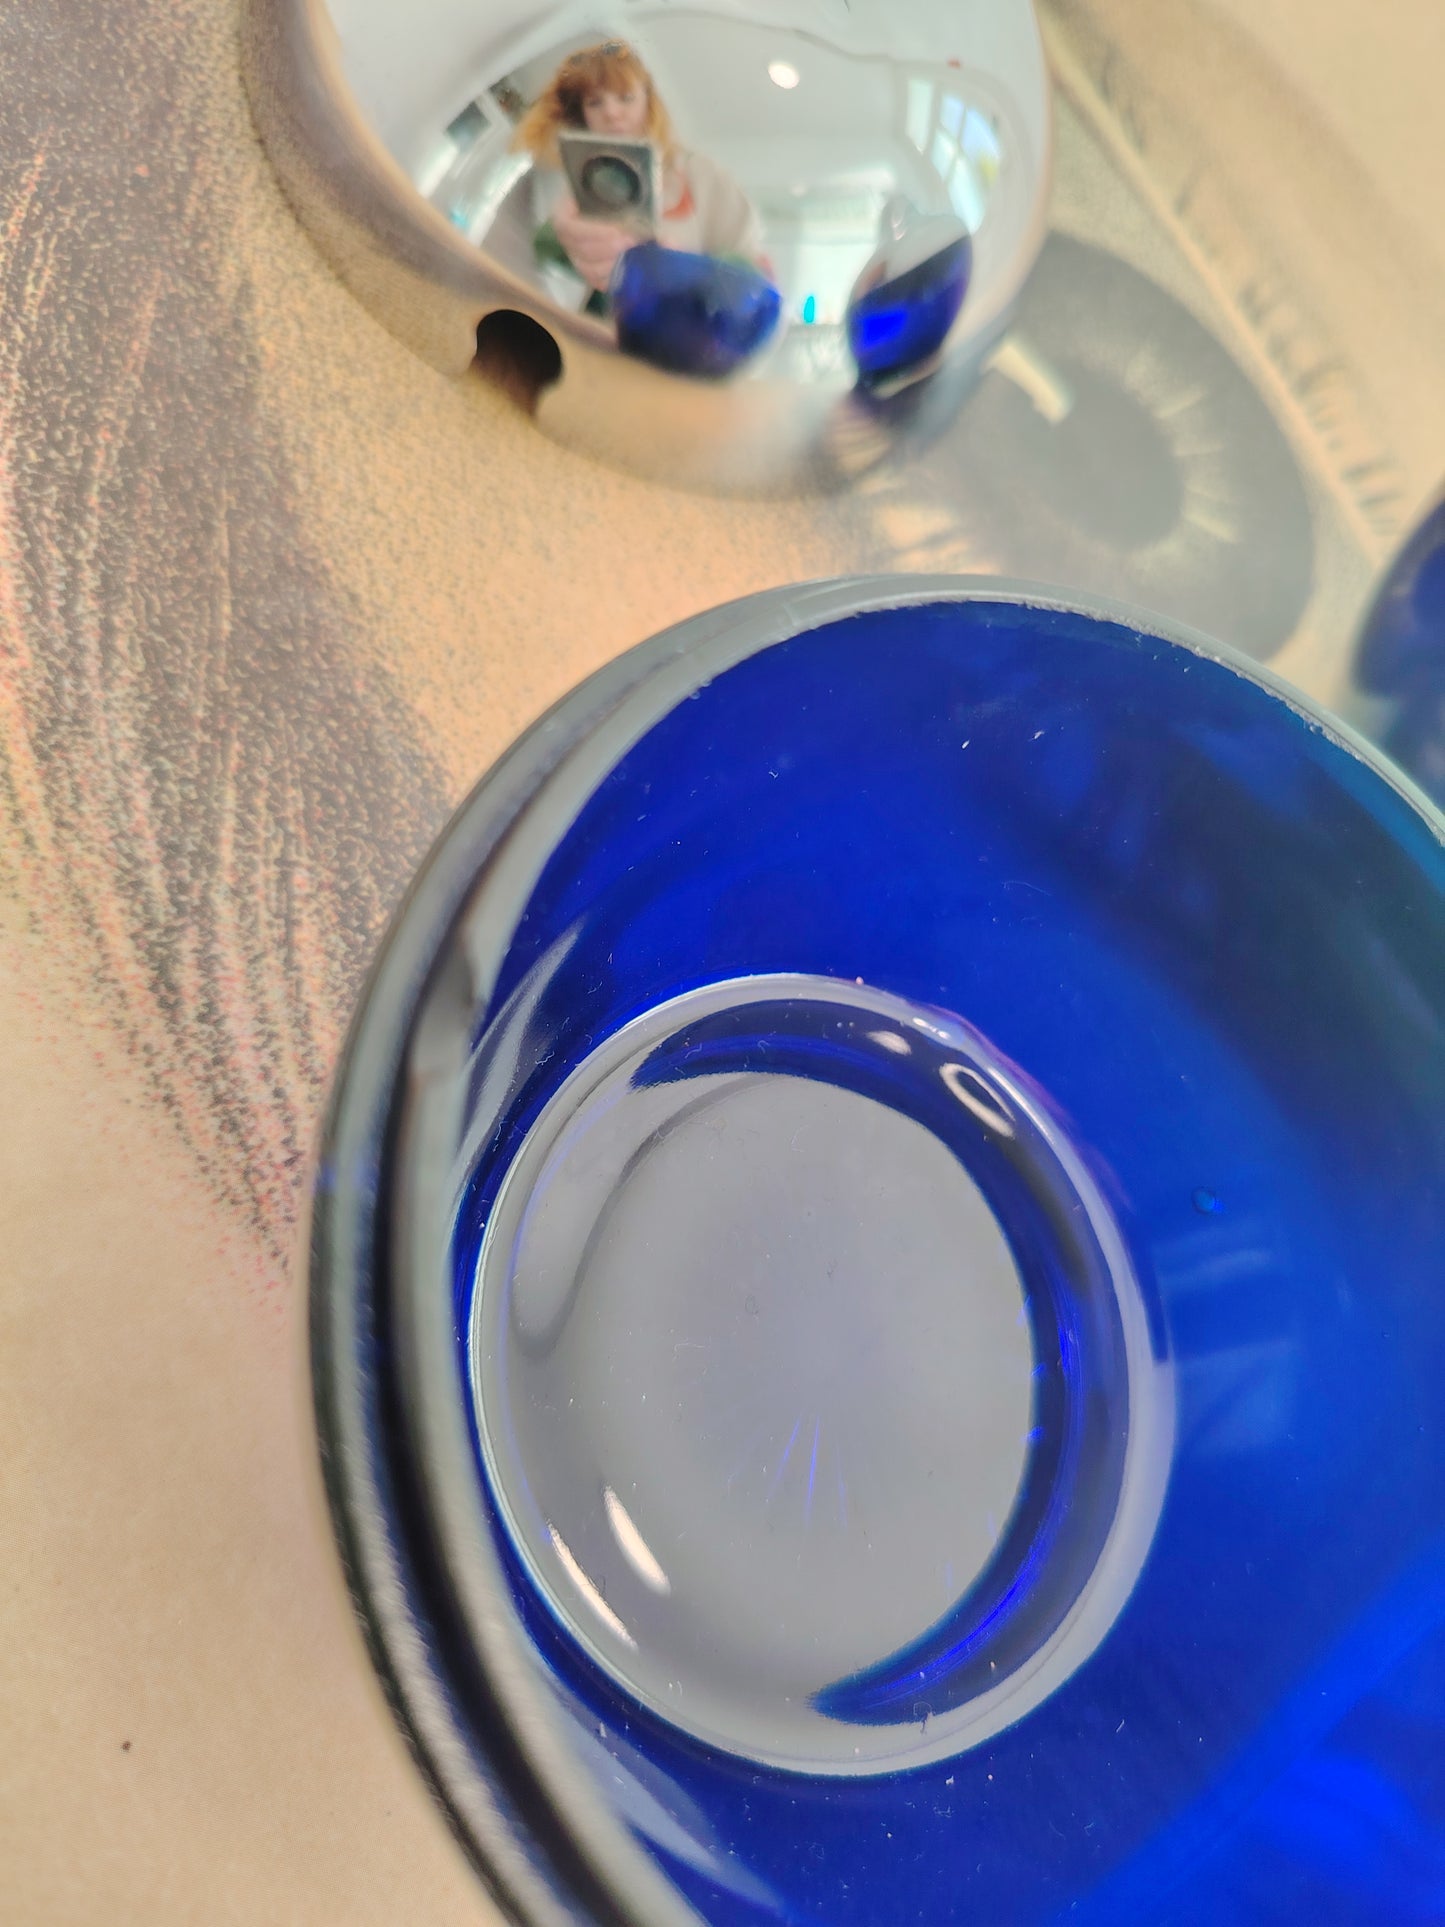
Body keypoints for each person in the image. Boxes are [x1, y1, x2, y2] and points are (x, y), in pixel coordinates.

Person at [513, 40, 767, 314]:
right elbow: (544, 249)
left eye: (625, 97)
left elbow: (749, 267)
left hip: (679, 336)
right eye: (595, 102)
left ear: (649, 101)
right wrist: (567, 240)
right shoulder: (581, 176)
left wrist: (685, 269)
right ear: (584, 115)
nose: (611, 113)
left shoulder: (701, 173)